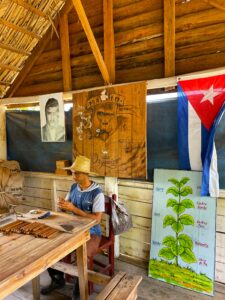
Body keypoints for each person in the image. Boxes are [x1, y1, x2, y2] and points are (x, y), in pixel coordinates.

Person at [41, 155, 105, 299]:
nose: (73, 175)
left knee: (82, 255)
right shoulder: (74, 188)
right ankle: (58, 280)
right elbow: (67, 207)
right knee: (49, 246)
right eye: (73, 172)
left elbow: (96, 219)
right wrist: (63, 206)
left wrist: (74, 209)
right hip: (72, 228)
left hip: (92, 232)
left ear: (86, 175)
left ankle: (79, 290)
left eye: (77, 173)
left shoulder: (97, 193)